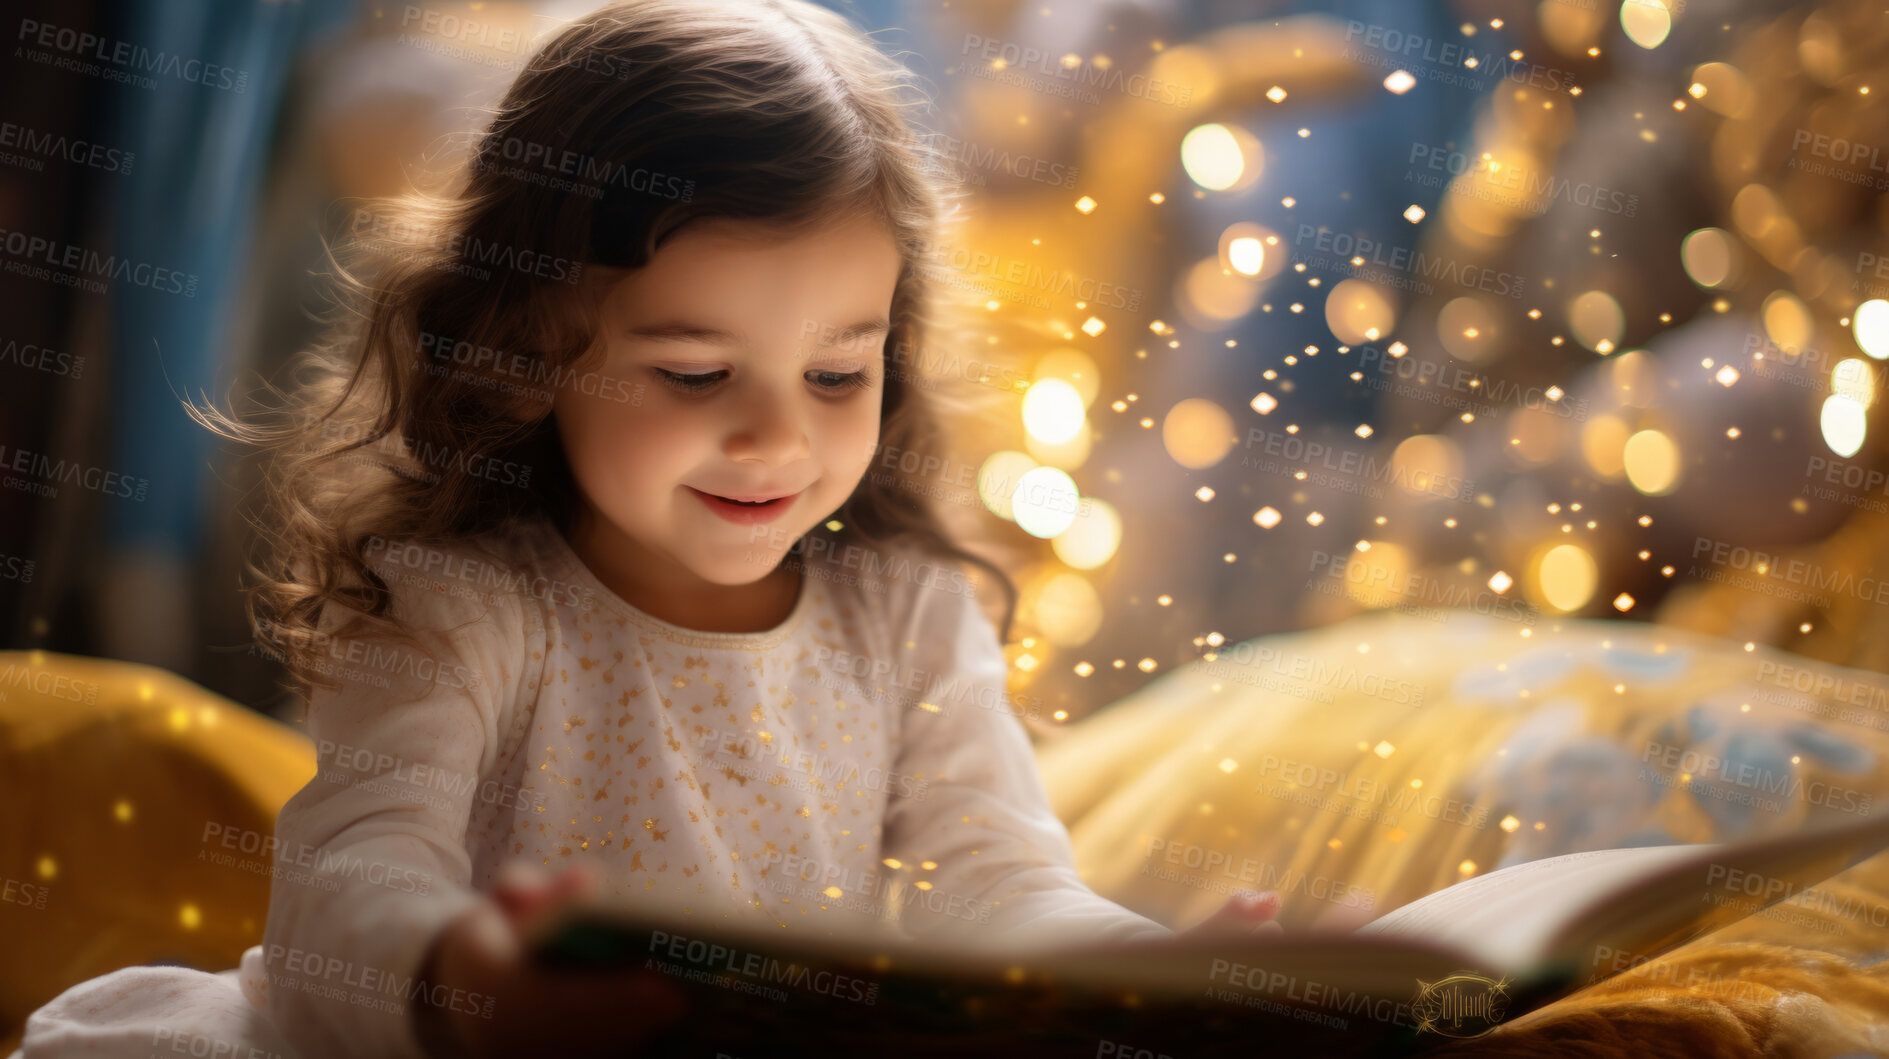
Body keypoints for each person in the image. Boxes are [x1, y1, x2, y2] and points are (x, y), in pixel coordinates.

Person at [13, 2, 1280, 1056]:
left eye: (839, 374)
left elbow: (1009, 893)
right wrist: (468, 979)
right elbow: (348, 888)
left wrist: (1165, 978)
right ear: (524, 353)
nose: (778, 440)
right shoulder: (462, 605)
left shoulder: (907, 615)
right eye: (690, 374)